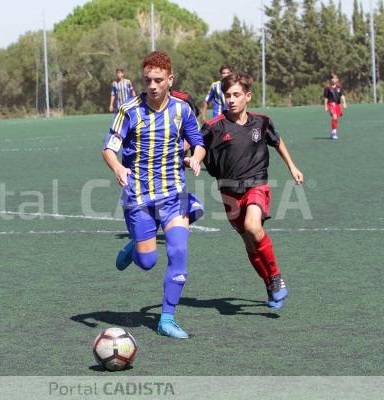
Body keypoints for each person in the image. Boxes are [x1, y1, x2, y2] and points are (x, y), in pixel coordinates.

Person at [102, 51, 206, 339]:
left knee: (178, 251)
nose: (152, 85)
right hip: (139, 198)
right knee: (147, 262)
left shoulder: (182, 110)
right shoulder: (129, 110)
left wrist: (196, 157)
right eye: (147, 79)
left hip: (174, 194)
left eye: (158, 80)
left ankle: (167, 318)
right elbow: (109, 147)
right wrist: (117, 167)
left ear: (170, 79)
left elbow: (198, 142)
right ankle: (135, 247)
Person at [197, 72, 304, 310]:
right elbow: (199, 146)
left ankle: (276, 277)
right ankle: (269, 284)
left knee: (253, 227)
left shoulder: (262, 122)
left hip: (257, 183)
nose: (231, 100)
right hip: (228, 191)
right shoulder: (214, 126)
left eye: (236, 95)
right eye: (227, 95)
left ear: (248, 96)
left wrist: (292, 167)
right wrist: (193, 158)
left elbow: (277, 142)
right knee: (249, 243)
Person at [324, 73, 347, 140]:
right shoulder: (327, 88)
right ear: (330, 80)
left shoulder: (339, 87)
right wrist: (325, 106)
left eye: (335, 78)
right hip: (331, 104)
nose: (333, 80)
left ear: (337, 79)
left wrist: (344, 103)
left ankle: (333, 131)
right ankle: (334, 133)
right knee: (334, 116)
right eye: (332, 78)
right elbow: (326, 98)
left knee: (336, 118)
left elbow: (342, 95)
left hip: (338, 105)